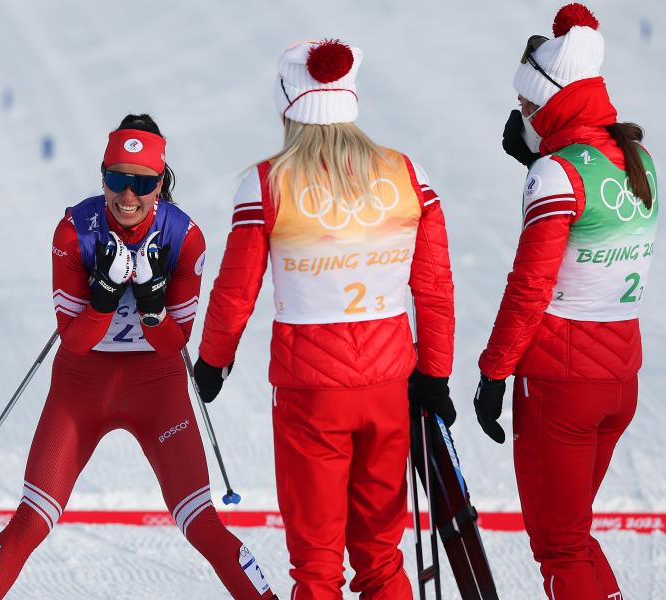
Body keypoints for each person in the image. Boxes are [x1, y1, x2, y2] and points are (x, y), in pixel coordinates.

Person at [0, 114, 276, 600]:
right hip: (81, 389)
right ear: (103, 176)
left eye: (143, 183)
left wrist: (152, 305)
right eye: (117, 179)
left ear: (160, 183)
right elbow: (75, 341)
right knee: (32, 519)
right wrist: (105, 296)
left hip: (158, 391)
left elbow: (174, 343)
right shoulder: (74, 231)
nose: (128, 196)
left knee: (202, 523)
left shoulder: (183, 236)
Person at [192, 40, 456, 600]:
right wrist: (435, 375)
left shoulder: (267, 183)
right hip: (389, 387)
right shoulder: (408, 175)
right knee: (381, 556)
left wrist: (213, 362)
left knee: (316, 566)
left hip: (310, 394)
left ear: (289, 106)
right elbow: (434, 288)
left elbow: (236, 292)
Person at [473, 4, 659, 599]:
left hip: (561, 382)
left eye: (527, 105)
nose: (520, 116)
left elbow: (531, 286)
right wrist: (540, 157)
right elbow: (592, 204)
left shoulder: (555, 174)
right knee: (574, 538)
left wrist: (494, 372)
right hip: (619, 377)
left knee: (559, 547)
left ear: (550, 101)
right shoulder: (639, 160)